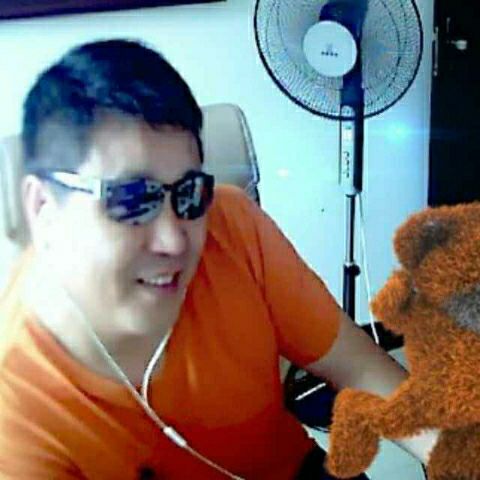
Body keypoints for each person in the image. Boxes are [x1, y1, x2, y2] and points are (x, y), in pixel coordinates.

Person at [0, 39, 438, 480]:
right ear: (43, 208)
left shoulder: (231, 224)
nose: (174, 240)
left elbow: (359, 367)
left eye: (189, 192)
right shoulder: (15, 410)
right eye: (132, 199)